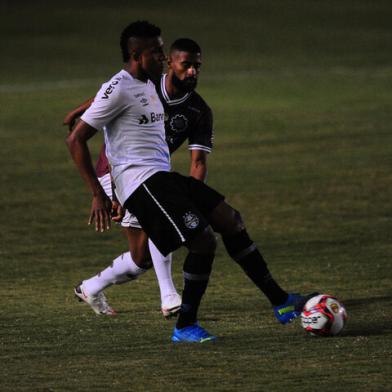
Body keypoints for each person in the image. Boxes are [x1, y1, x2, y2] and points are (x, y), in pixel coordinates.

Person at [66, 20, 315, 343]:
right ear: (137, 54)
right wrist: (100, 194)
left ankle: (281, 302)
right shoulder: (122, 87)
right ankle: (184, 324)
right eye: (156, 51)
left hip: (162, 178)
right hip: (141, 184)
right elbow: (76, 140)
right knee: (202, 242)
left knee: (230, 219)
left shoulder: (151, 84)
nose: (162, 57)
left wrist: (81, 109)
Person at [64, 38, 214, 318]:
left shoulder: (198, 111)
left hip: (152, 176)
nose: (192, 71)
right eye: (186, 65)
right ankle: (169, 297)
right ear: (171, 63)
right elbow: (112, 93)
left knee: (140, 258)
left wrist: (192, 196)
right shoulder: (147, 82)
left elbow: (199, 161)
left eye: (197, 66)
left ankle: (90, 287)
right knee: (159, 222)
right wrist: (81, 110)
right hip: (117, 170)